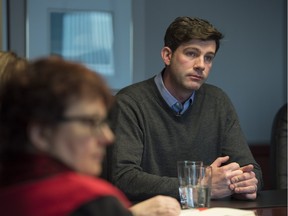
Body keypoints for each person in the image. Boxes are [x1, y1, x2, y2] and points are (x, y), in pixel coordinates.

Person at [108, 16, 263, 203]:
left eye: (209, 58)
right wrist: (199, 187)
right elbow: (123, 179)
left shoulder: (218, 101)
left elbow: (251, 169)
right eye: (191, 53)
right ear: (167, 55)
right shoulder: (129, 102)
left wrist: (246, 183)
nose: (201, 65)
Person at [0, 57, 181, 216]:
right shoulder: (92, 202)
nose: (108, 137)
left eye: (103, 123)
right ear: (41, 133)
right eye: (90, 123)